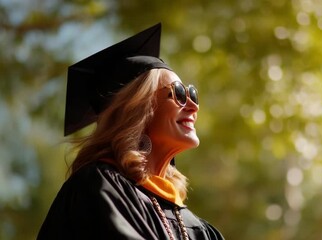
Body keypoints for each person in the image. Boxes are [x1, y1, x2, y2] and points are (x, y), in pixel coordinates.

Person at [37, 23, 224, 240]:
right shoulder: (99, 188)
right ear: (137, 109)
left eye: (193, 94)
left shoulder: (200, 229)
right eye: (179, 94)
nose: (194, 106)